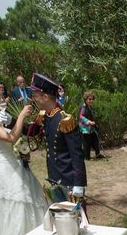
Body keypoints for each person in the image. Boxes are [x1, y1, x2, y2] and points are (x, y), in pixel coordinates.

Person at [0, 83, 48, 235]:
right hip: (5, 167)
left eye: (2, 96)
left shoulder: (2, 118)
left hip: (16, 162)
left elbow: (19, 135)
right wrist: (21, 116)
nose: (1, 100)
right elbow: (10, 138)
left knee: (32, 196)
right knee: (17, 201)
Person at [30, 73, 87, 202]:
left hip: (69, 180)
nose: (33, 99)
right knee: (61, 218)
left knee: (76, 219)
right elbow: (30, 131)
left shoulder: (65, 120)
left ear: (45, 97)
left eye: (35, 96)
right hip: (54, 177)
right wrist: (11, 121)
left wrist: (79, 183)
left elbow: (77, 154)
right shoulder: (44, 116)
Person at [79, 90, 103, 160]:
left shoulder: (89, 106)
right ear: (85, 99)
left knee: (95, 140)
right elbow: (81, 116)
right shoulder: (83, 107)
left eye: (92, 99)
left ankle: (98, 154)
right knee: (87, 143)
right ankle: (87, 157)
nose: (91, 101)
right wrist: (88, 121)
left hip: (91, 128)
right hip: (85, 128)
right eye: (89, 99)